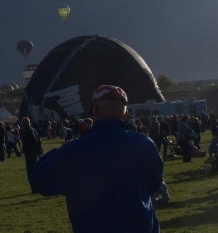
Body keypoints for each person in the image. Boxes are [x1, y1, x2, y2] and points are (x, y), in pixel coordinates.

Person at [28, 84, 163, 233]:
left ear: (96, 112)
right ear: (125, 115)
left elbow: (38, 177)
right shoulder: (145, 144)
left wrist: (60, 151)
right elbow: (155, 182)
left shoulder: (76, 150)